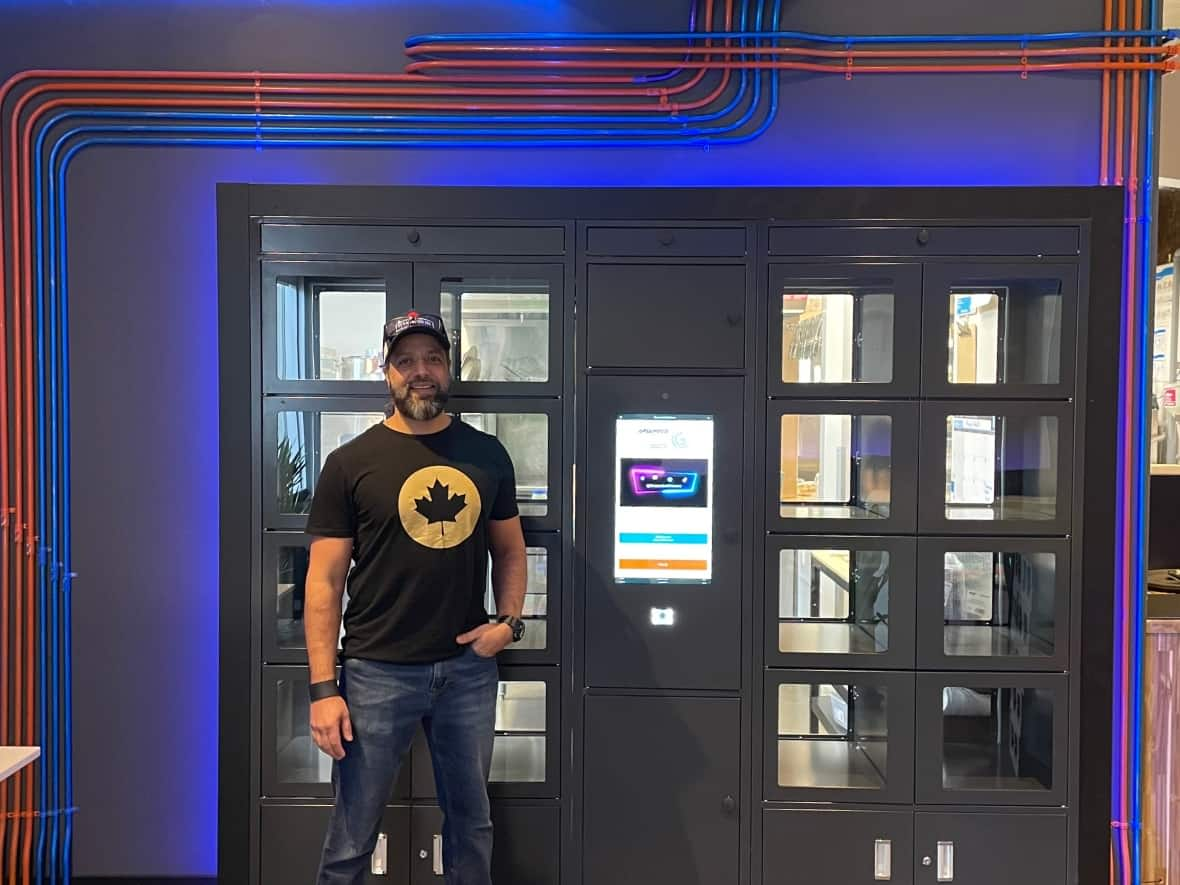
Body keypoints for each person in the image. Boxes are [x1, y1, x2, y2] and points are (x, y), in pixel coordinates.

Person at [305, 311, 528, 885]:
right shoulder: (350, 464)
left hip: (467, 670)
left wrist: (508, 621)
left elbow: (509, 551)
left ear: (448, 369)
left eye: (432, 359)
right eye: (406, 361)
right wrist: (324, 690)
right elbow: (324, 584)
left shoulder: (486, 455)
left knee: (471, 827)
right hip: (375, 673)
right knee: (352, 832)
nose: (420, 372)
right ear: (387, 372)